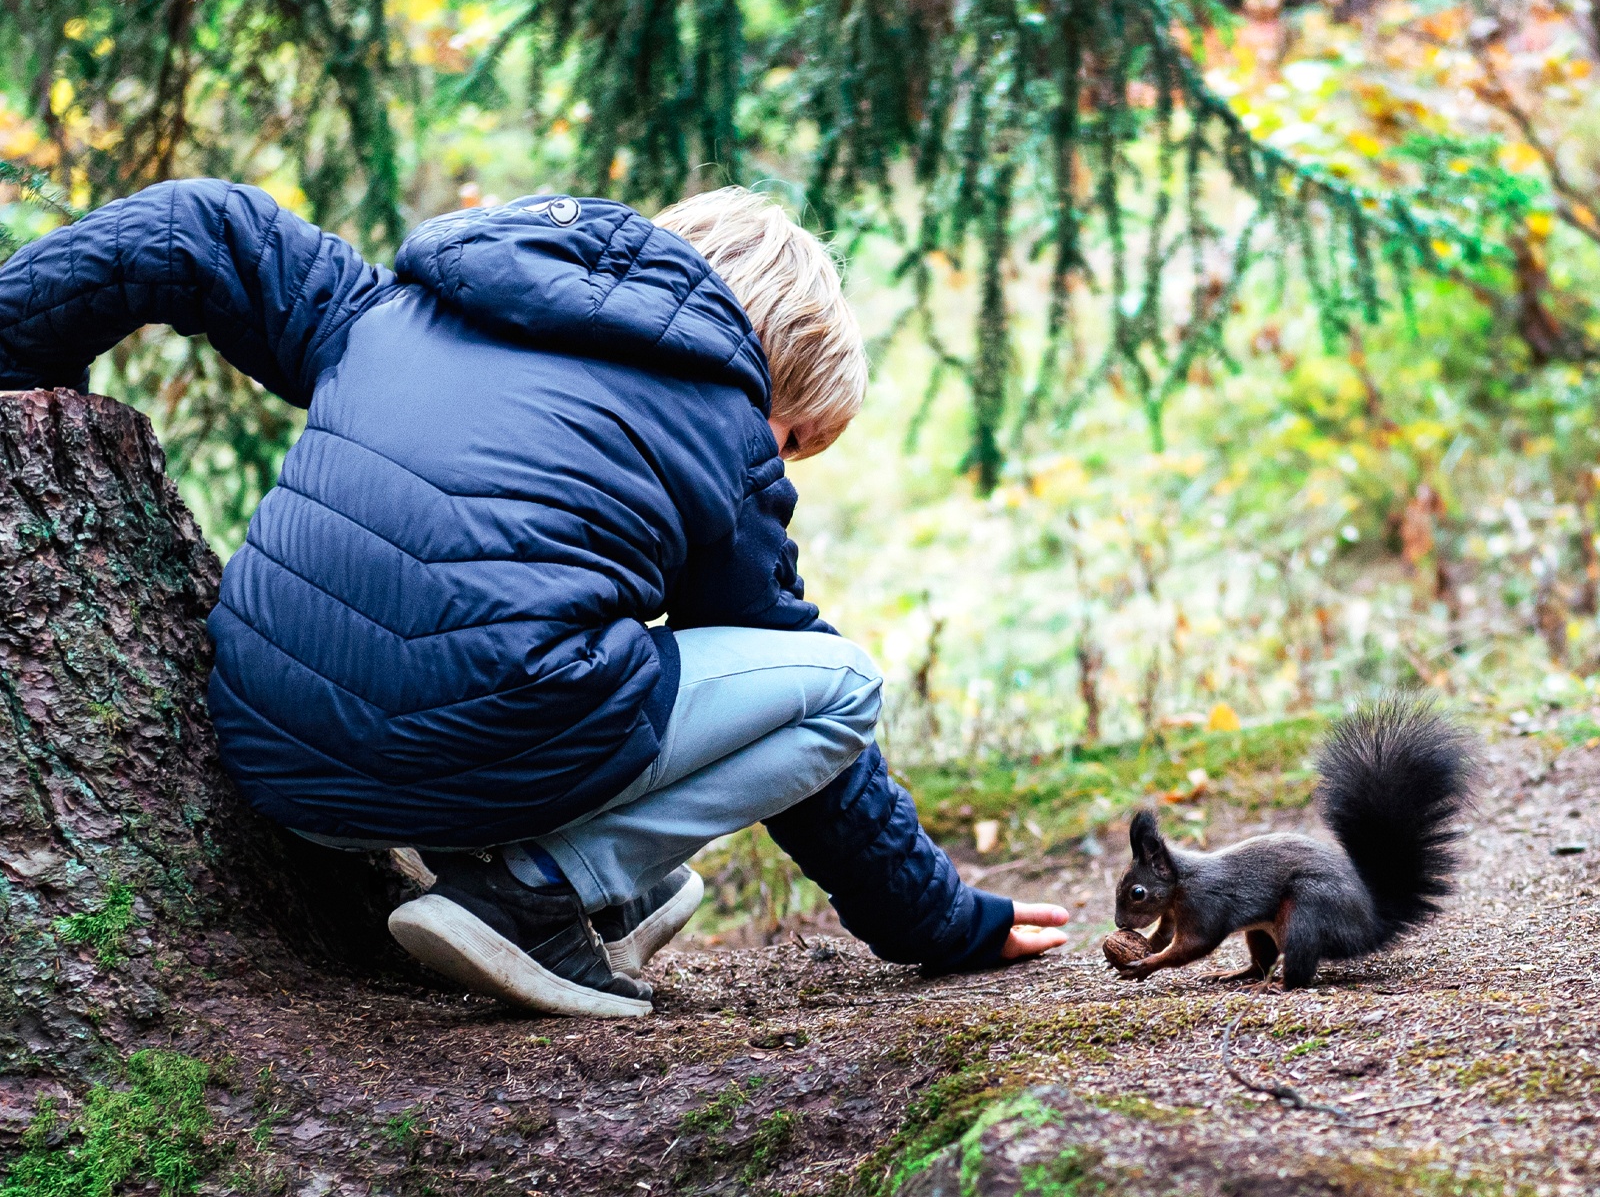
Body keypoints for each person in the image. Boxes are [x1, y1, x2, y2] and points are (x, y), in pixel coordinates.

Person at [0, 179, 1070, 1017]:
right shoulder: (720, 424)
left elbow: (196, 228)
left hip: (275, 763)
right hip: (455, 754)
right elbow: (792, 700)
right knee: (835, 686)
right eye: (793, 438)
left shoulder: (404, 304)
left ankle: (593, 883)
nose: (782, 467)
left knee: (528, 626)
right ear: (766, 366)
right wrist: (938, 921)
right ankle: (537, 894)